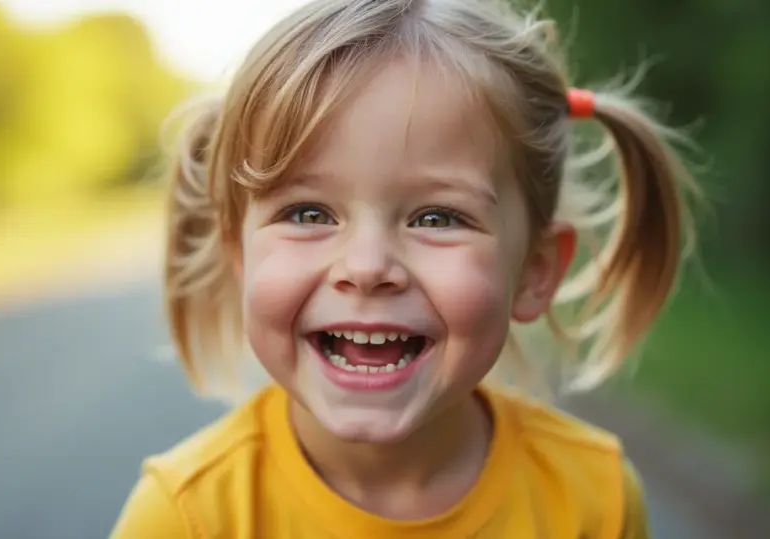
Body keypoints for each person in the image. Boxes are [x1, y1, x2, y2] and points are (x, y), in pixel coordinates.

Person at [110, 0, 700, 537]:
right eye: (308, 213)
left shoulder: (594, 501)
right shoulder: (186, 517)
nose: (367, 268)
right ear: (240, 254)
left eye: (437, 217)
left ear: (535, 271)